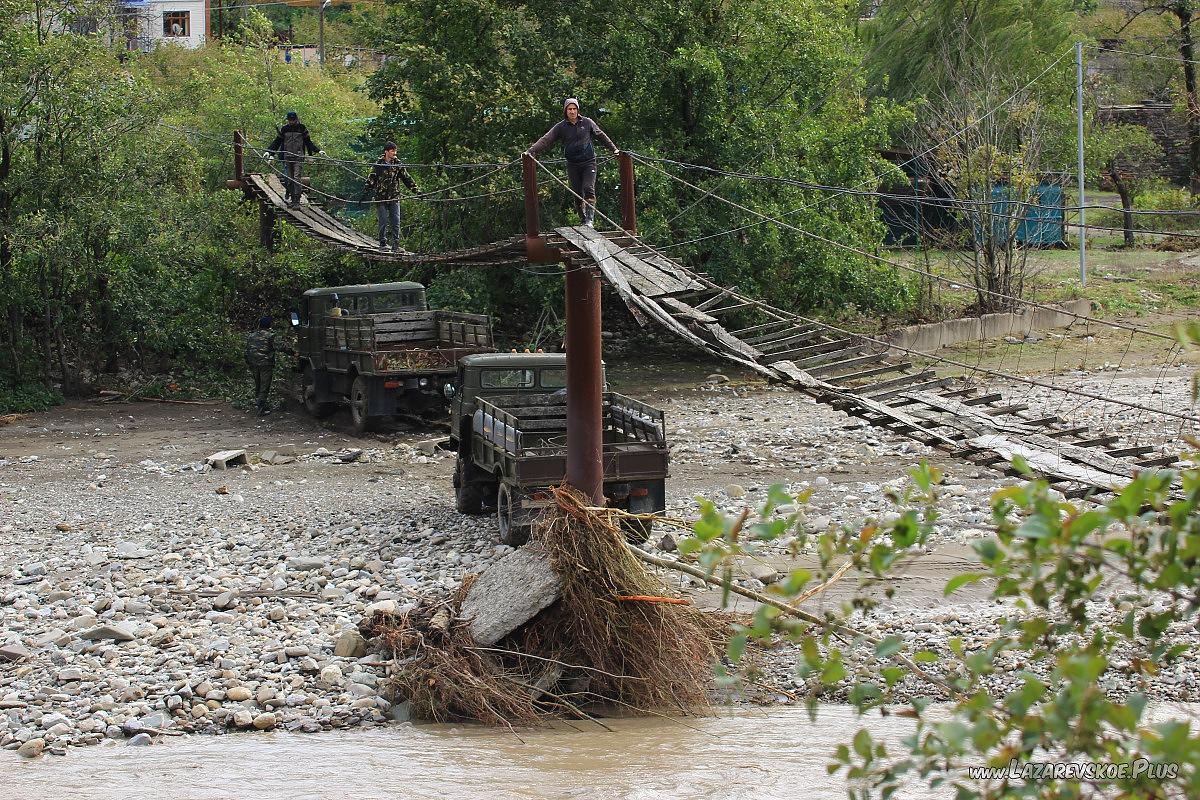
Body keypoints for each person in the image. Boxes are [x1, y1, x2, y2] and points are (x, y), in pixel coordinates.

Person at [527, 98, 619, 227]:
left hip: (588, 162)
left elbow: (601, 135)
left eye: (574, 109)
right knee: (576, 194)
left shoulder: (587, 122)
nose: (572, 111)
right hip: (573, 164)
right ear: (566, 111)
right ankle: (582, 219)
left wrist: (614, 149)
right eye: (569, 109)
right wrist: (531, 151)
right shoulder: (561, 127)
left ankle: (589, 220)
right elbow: (546, 139)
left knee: (588, 188)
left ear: (578, 110)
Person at [364, 142, 420, 250]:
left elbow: (407, 178)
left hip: (394, 196)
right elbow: (371, 179)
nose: (395, 153)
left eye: (395, 151)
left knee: (396, 221)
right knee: (383, 221)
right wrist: (366, 191)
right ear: (386, 152)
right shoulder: (378, 164)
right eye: (392, 151)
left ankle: (396, 245)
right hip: (381, 197)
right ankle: (383, 244)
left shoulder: (398, 164)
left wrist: (417, 191)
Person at [266, 111, 323, 208]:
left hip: (298, 157)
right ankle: (292, 199)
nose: (291, 122)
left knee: (296, 178)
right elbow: (277, 141)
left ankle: (297, 200)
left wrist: (317, 151)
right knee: (289, 179)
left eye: (293, 120)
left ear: (296, 119)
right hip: (287, 157)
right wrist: (270, 153)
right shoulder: (284, 129)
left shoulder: (302, 128)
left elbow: (308, 142)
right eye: (290, 120)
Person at [244, 316, 289, 415]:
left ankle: (259, 403)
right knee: (265, 385)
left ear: (259, 324)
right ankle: (261, 408)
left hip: (254, 363)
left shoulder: (251, 336)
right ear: (269, 325)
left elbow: (246, 351)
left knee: (258, 384)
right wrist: (293, 353)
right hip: (266, 364)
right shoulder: (271, 336)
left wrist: (248, 362)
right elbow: (280, 347)